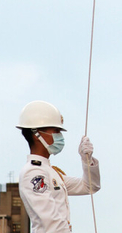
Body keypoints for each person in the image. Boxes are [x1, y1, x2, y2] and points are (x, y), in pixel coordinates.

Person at [16, 100, 101, 233]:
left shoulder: (50, 172)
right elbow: (52, 223)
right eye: (56, 131)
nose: (59, 136)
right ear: (37, 134)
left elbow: (90, 186)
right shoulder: (33, 173)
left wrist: (87, 160)